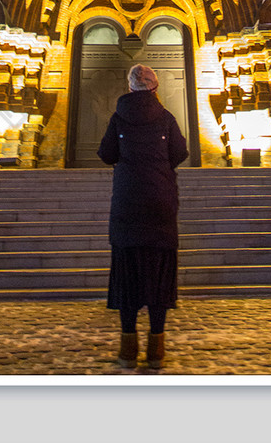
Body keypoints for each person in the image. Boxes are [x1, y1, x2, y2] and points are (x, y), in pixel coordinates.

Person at [97, 63, 188, 370]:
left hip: (127, 204)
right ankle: (157, 349)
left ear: (130, 85)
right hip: (160, 202)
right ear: (155, 86)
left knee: (128, 274)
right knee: (159, 274)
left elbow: (106, 153)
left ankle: (127, 347)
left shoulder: (119, 116)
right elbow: (180, 152)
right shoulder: (165, 118)